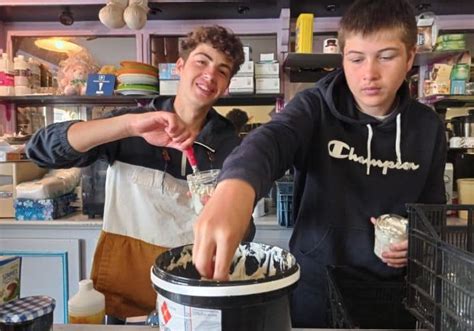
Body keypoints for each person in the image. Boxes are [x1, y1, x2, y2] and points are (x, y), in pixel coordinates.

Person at [192, 0, 446, 328]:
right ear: (343, 58)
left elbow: (433, 212)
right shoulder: (314, 107)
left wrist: (419, 241)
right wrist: (235, 190)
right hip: (315, 287)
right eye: (356, 59)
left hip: (393, 292)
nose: (369, 73)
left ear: (410, 57)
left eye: (386, 56)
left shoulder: (428, 127)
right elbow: (271, 140)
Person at [26, 25, 250, 321]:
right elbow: (41, 149)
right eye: (202, 61)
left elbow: (243, 234)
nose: (211, 74)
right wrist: (130, 126)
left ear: (227, 86)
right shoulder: (131, 124)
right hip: (123, 299)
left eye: (223, 70)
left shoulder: (231, 146)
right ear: (179, 67)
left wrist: (226, 214)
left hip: (191, 296)